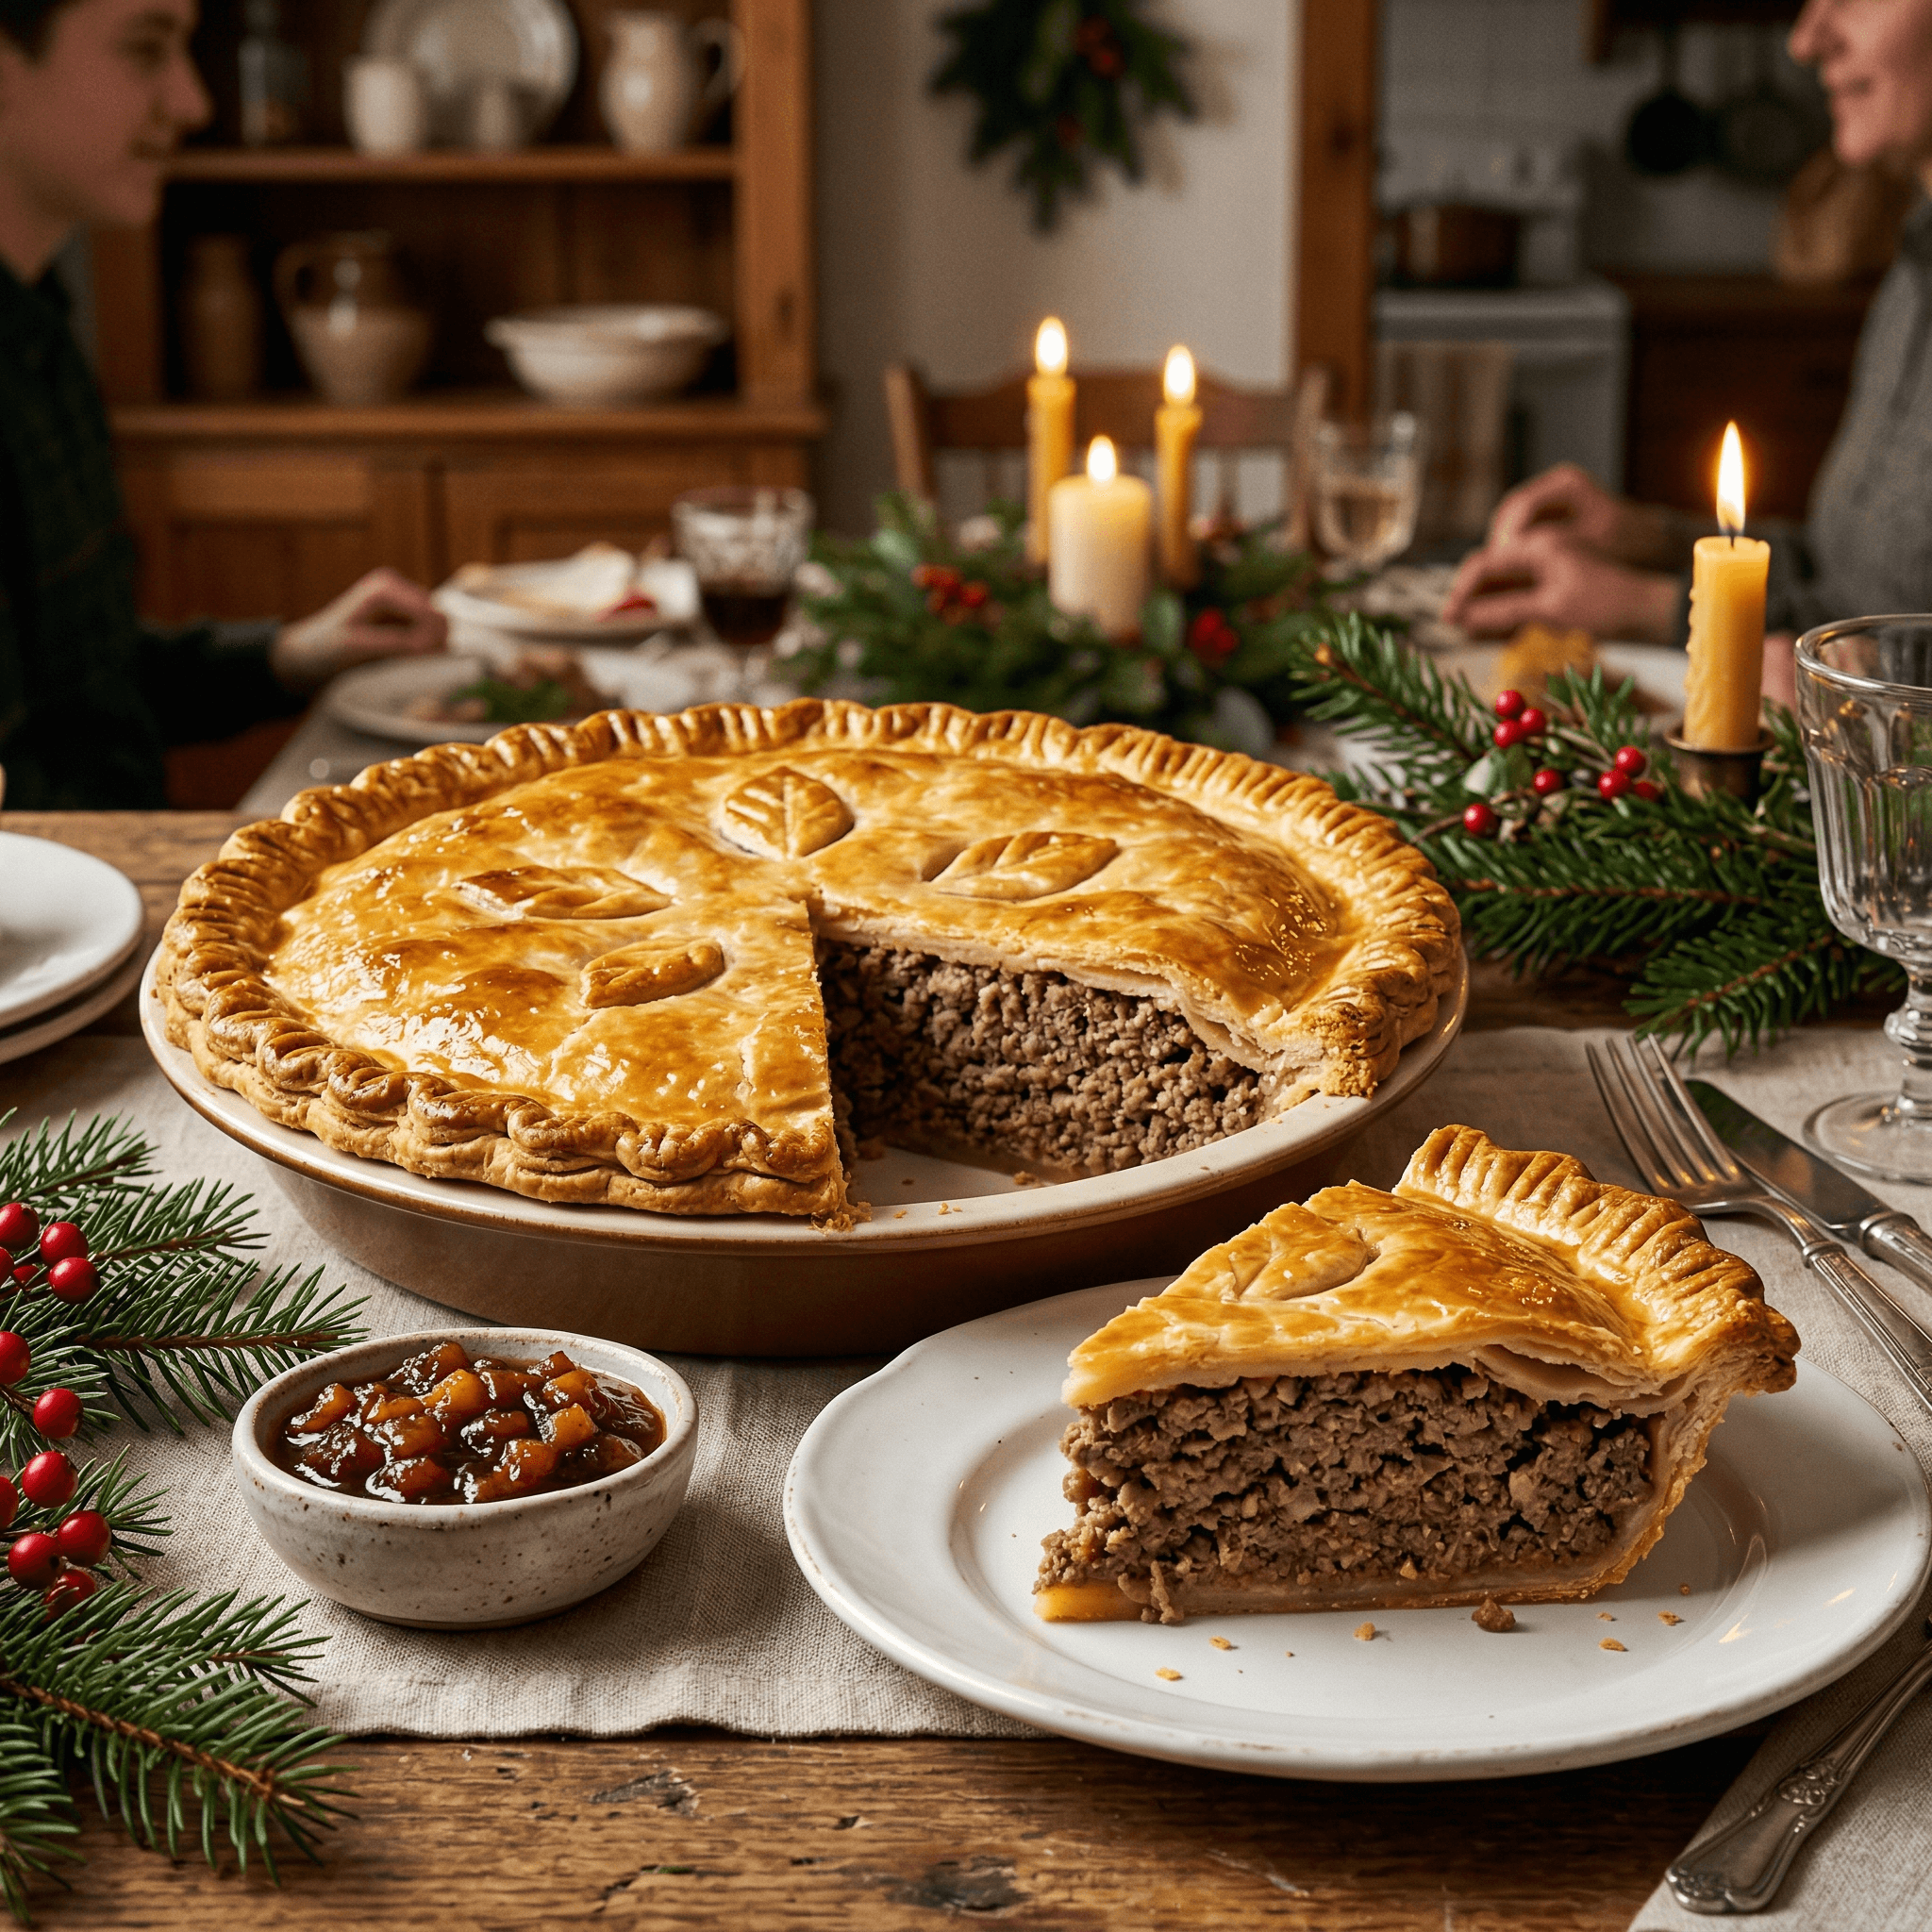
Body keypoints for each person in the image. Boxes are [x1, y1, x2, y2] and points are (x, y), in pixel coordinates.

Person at [0, 0, 444, 808]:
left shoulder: (40, 331)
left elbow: (85, 684)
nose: (193, 102)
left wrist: (294, 652)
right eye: (146, 49)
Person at [1442, 0, 1932, 710]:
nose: (1804, 39)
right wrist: (1650, 540)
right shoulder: (1914, 258)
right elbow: (1857, 588)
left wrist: (1651, 605)